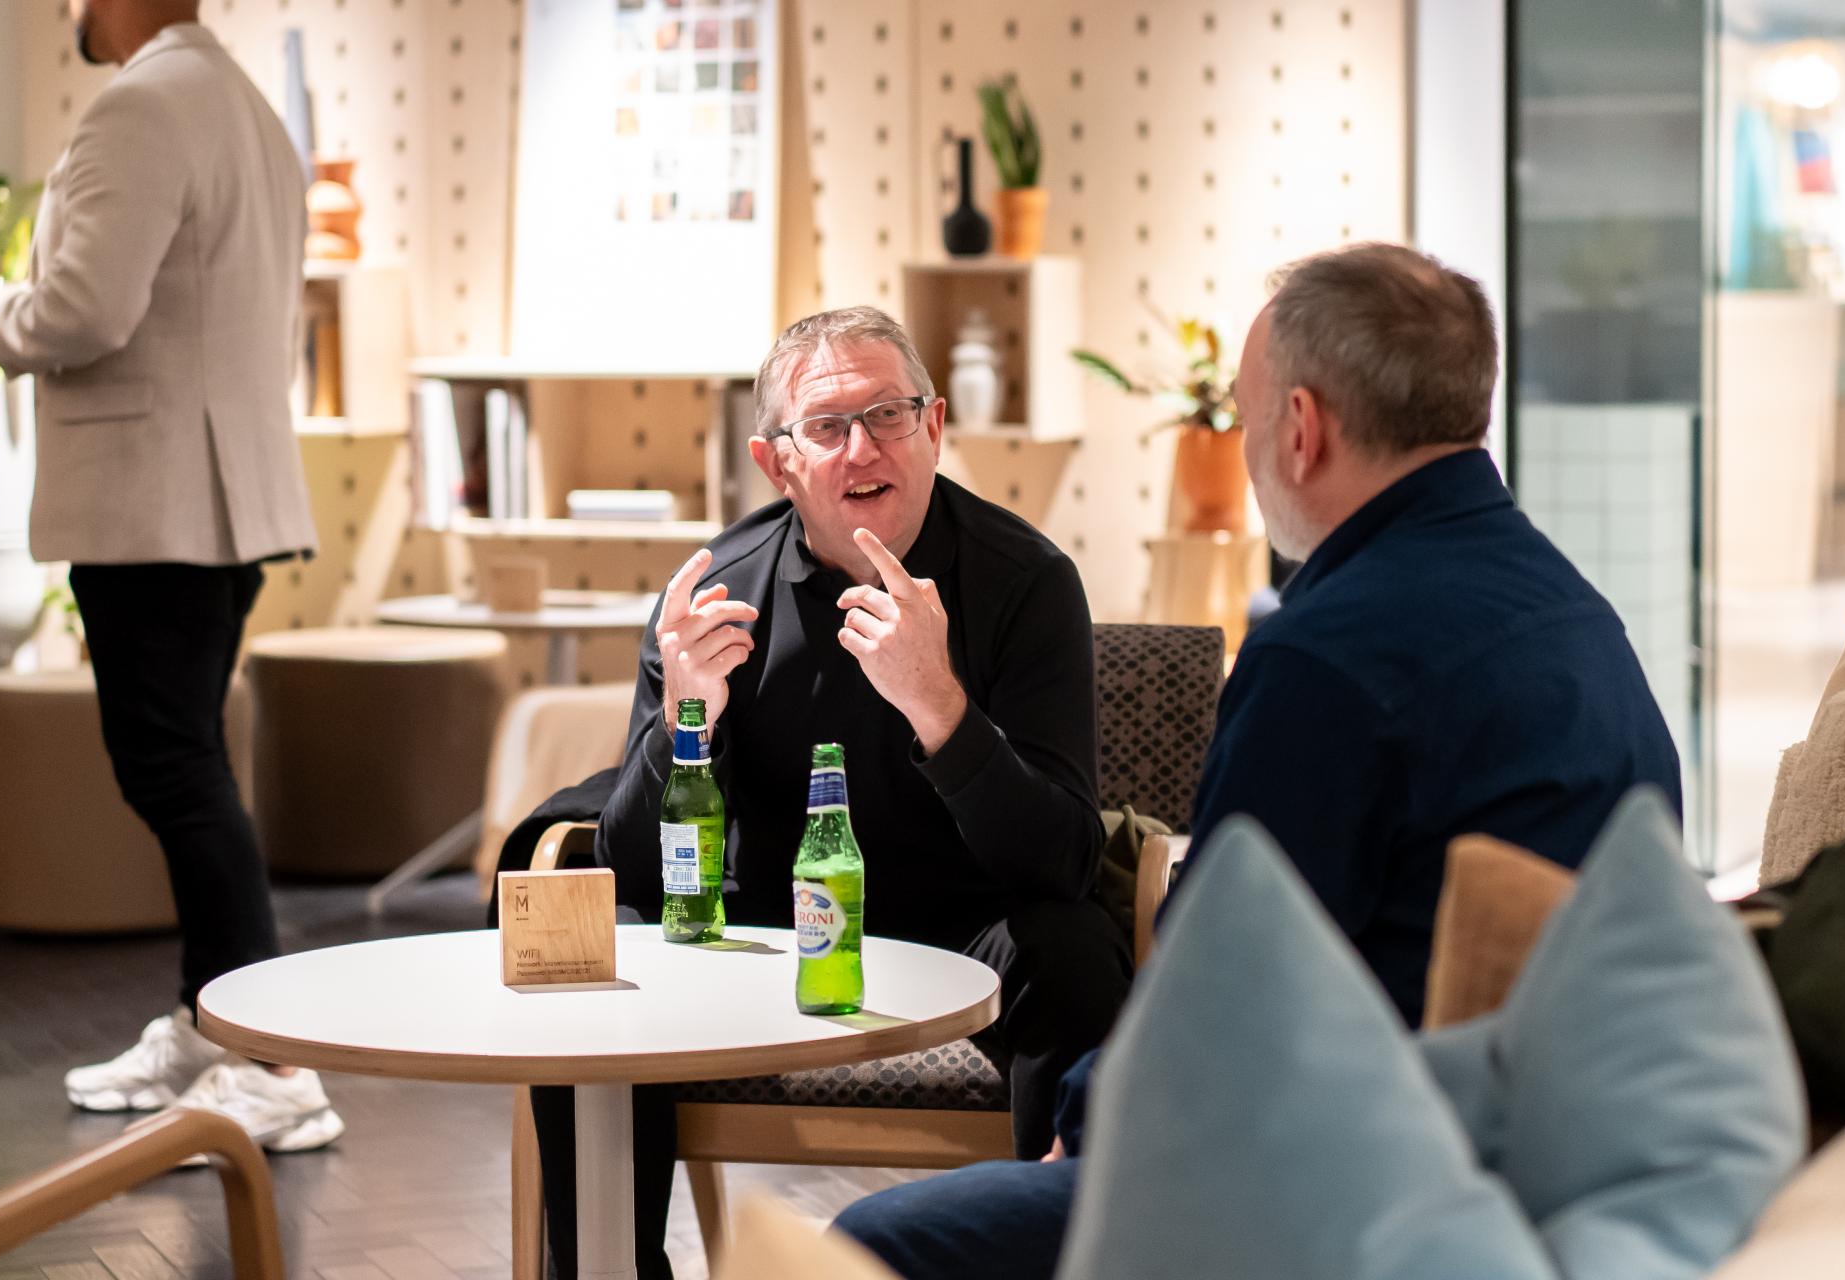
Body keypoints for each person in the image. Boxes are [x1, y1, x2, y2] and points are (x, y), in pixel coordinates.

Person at [833, 242, 1683, 1280]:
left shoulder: (1327, 655)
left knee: (867, 1244)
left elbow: (1216, 992)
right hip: (1568, 1122)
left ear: (1301, 429)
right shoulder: (1571, 607)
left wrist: (1091, 1117)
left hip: (1376, 1159)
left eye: (1243, 414)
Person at [518, 305, 1132, 1278]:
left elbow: (1061, 856)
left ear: (934, 429)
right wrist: (690, 717)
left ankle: (1063, 1252)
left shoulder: (1027, 582)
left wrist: (940, 704)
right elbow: (631, 860)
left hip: (965, 922)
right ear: (776, 461)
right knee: (609, 942)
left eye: (889, 415)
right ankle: (610, 1267)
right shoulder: (717, 590)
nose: (863, 447)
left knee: (1072, 950)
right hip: (760, 929)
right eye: (828, 426)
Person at [0, 0, 341, 1152]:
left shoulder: (138, 105)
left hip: (154, 506)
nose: (66, 9)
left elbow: (81, 311)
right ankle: (214, 1020)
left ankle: (273, 1062)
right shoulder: (244, 107)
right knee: (185, 764)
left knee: (174, 772)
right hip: (219, 504)